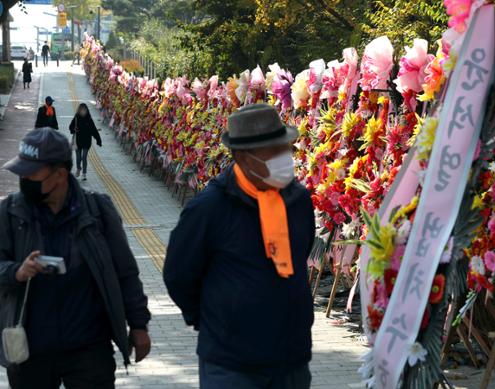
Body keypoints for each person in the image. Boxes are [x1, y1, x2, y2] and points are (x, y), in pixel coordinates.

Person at [164, 103, 315, 389]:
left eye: (286, 148)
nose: (285, 157)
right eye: (274, 151)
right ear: (243, 158)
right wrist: (214, 319)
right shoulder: (210, 208)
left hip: (291, 359)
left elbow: (300, 254)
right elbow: (178, 274)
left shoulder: (297, 201)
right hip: (232, 364)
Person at [0, 128, 152, 389]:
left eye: (31, 172)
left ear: (59, 174)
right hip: (30, 351)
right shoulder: (10, 212)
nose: (23, 178)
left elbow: (125, 272)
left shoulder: (97, 211)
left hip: (88, 348)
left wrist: (139, 325)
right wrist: (16, 272)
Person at [69, 103, 102, 181]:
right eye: (82, 110)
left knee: (84, 157)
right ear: (79, 110)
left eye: (84, 110)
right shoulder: (76, 117)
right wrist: (74, 129)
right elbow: (71, 126)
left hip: (87, 142)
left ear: (86, 110)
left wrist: (98, 140)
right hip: (78, 141)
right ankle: (78, 168)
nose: (83, 111)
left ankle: (84, 173)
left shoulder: (89, 119)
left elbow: (94, 130)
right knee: (78, 157)